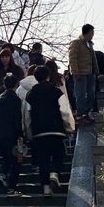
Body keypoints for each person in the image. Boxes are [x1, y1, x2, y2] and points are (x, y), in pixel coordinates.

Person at [25, 65, 75, 195]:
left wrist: (29, 134)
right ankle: (54, 173)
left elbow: (27, 116)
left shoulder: (30, 95)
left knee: (43, 160)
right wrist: (70, 127)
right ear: (48, 76)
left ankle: (46, 188)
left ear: (35, 78)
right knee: (59, 154)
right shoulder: (57, 92)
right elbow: (65, 112)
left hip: (38, 132)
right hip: (56, 130)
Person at [0, 74, 23, 194]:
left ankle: (2, 175)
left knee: (5, 157)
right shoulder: (15, 100)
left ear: (4, 85)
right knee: (16, 161)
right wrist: (20, 135)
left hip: (0, 135)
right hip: (12, 134)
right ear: (16, 85)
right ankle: (12, 187)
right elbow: (17, 119)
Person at [68, 23, 99, 125]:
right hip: (80, 73)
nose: (92, 35)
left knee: (91, 94)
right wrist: (75, 72)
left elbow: (93, 58)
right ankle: (80, 115)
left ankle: (86, 113)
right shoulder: (76, 43)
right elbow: (72, 58)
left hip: (90, 73)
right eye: (91, 33)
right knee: (80, 95)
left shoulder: (89, 44)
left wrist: (96, 69)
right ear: (87, 32)